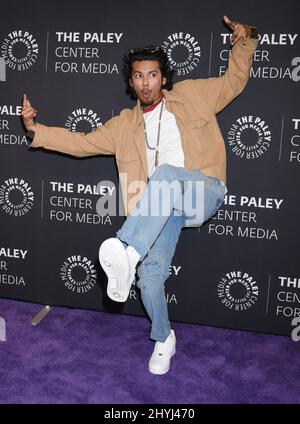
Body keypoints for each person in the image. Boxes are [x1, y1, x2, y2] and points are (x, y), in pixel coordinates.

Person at [22, 15, 258, 375]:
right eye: (138, 76)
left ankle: (127, 250)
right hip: (164, 210)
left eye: (152, 75)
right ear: (131, 83)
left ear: (163, 77)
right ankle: (163, 337)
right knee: (149, 277)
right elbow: (81, 143)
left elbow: (234, 81)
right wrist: (36, 130)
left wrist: (243, 43)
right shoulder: (123, 126)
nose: (146, 82)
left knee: (163, 176)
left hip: (202, 191)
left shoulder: (193, 96)